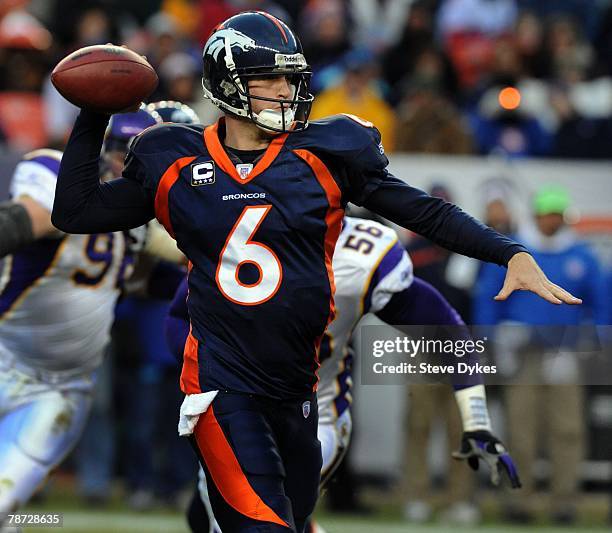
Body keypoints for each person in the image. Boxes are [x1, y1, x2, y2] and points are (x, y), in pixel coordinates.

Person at [51, 12, 580, 533]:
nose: (286, 90)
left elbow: (423, 212)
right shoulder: (174, 158)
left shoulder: (324, 153)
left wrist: (508, 251)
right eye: (270, 78)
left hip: (301, 394)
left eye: (291, 77)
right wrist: (92, 114)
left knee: (294, 522)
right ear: (228, 83)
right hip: (222, 389)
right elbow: (76, 212)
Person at [165, 215, 521, 533]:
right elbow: (181, 314)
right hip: (237, 400)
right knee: (209, 516)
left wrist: (476, 418)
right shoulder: (243, 229)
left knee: (260, 514)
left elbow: (448, 333)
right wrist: (205, 376)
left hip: (316, 414)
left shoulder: (361, 256)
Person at [0, 109, 163, 522]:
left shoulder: (148, 221)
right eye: (123, 152)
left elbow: (152, 277)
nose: (129, 166)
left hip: (59, 389)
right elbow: (27, 220)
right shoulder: (55, 175)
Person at [473, 184, 607, 524]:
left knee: (567, 429)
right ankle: (519, 502)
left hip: (565, 352)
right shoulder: (513, 252)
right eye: (547, 214)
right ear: (535, 215)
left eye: (557, 215)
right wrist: (495, 339)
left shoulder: (582, 256)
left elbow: (602, 306)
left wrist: (586, 342)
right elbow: (488, 297)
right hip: (521, 354)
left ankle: (565, 502)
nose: (552, 221)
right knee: (521, 429)